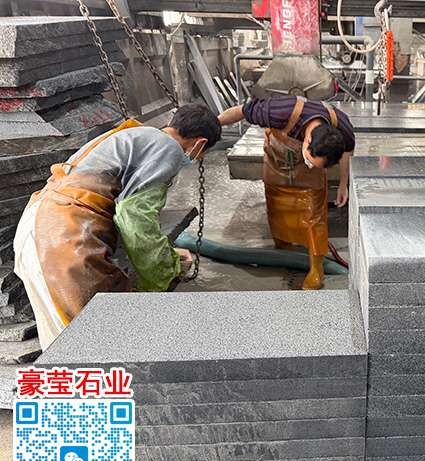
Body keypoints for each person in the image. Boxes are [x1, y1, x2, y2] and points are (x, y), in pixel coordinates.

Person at [13, 104, 222, 349]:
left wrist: (167, 253)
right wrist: (165, 269)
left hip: (38, 225)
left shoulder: (134, 135)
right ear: (199, 144)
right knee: (98, 343)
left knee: (63, 343)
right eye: (200, 154)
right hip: (63, 241)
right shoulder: (168, 148)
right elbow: (135, 218)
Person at [218, 95, 355, 290]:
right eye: (311, 160)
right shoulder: (279, 111)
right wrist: (212, 126)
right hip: (277, 165)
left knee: (315, 218)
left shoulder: (342, 125)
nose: (312, 164)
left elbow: (347, 151)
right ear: (308, 141)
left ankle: (316, 267)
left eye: (318, 165)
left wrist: (343, 184)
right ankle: (283, 250)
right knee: (277, 212)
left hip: (309, 180)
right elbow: (242, 111)